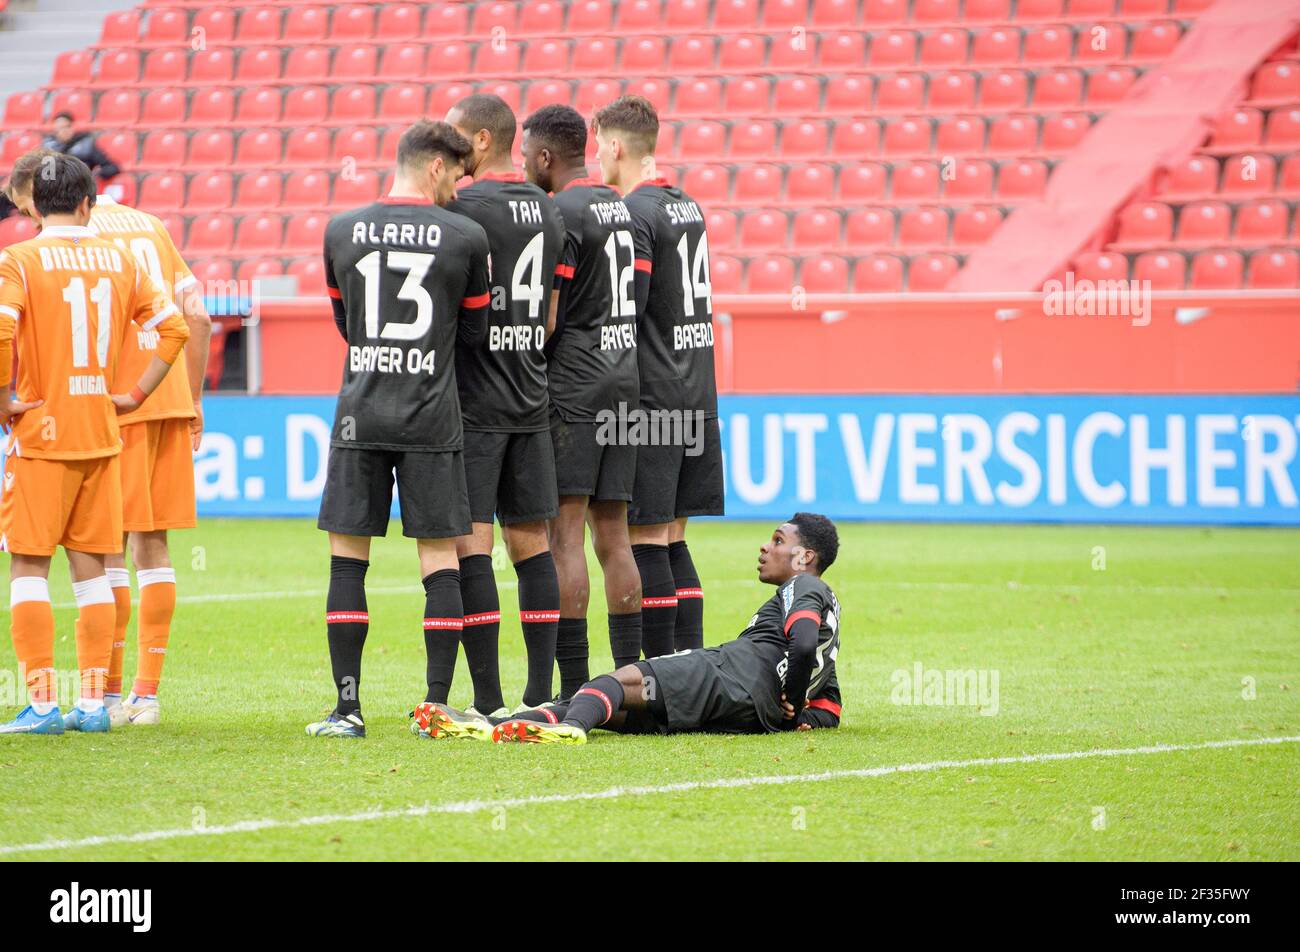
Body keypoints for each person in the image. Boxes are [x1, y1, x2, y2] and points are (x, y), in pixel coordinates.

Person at [5, 148, 212, 727]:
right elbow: (193, 314)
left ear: (38, 200)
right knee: (149, 546)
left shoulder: (46, 250)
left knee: (79, 556)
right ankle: (133, 695)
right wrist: (190, 397)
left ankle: (83, 697)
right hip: (158, 397)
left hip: (85, 410)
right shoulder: (147, 226)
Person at [307, 120, 491, 739]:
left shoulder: (340, 229)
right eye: (457, 177)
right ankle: (434, 706)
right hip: (431, 413)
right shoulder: (466, 236)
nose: (458, 191)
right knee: (439, 558)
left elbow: (347, 322)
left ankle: (347, 709)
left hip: (361, 410)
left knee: (346, 561)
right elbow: (473, 334)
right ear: (436, 165)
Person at [412, 514, 843, 743]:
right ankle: (489, 726)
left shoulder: (805, 586)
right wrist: (795, 714)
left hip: (727, 675)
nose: (766, 546)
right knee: (613, 706)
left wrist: (788, 702)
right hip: (742, 710)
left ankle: (570, 729)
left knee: (613, 680)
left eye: (779, 540)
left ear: (805, 558)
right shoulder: (831, 619)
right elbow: (831, 708)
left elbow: (802, 643)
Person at [441, 94, 566, 717]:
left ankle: (486, 699)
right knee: (532, 544)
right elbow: (546, 313)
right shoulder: (549, 210)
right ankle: (539, 695)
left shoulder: (460, 208)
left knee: (471, 546)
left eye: (456, 135)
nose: (447, 145)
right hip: (531, 395)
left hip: (473, 401)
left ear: (482, 141)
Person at [519, 104, 648, 699]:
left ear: (545, 157)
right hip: (626, 380)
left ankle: (574, 687)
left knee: (564, 534)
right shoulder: (619, 207)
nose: (522, 164)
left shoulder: (560, 211)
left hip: (575, 384)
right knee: (614, 535)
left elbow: (547, 315)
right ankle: (631, 677)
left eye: (526, 155)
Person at [592, 96, 724, 661]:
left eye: (599, 145)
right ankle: (691, 669)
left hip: (654, 398)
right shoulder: (686, 206)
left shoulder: (637, 214)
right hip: (696, 389)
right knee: (673, 537)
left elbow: (630, 309)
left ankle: (657, 678)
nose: (597, 156)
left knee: (644, 537)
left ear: (615, 146)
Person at [41, 113, 121, 185]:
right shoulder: (49, 147)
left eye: (67, 127)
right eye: (59, 128)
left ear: (72, 127)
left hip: (79, 189)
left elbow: (112, 167)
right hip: (55, 192)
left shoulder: (85, 144)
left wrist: (94, 176)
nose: (63, 131)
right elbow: (45, 175)